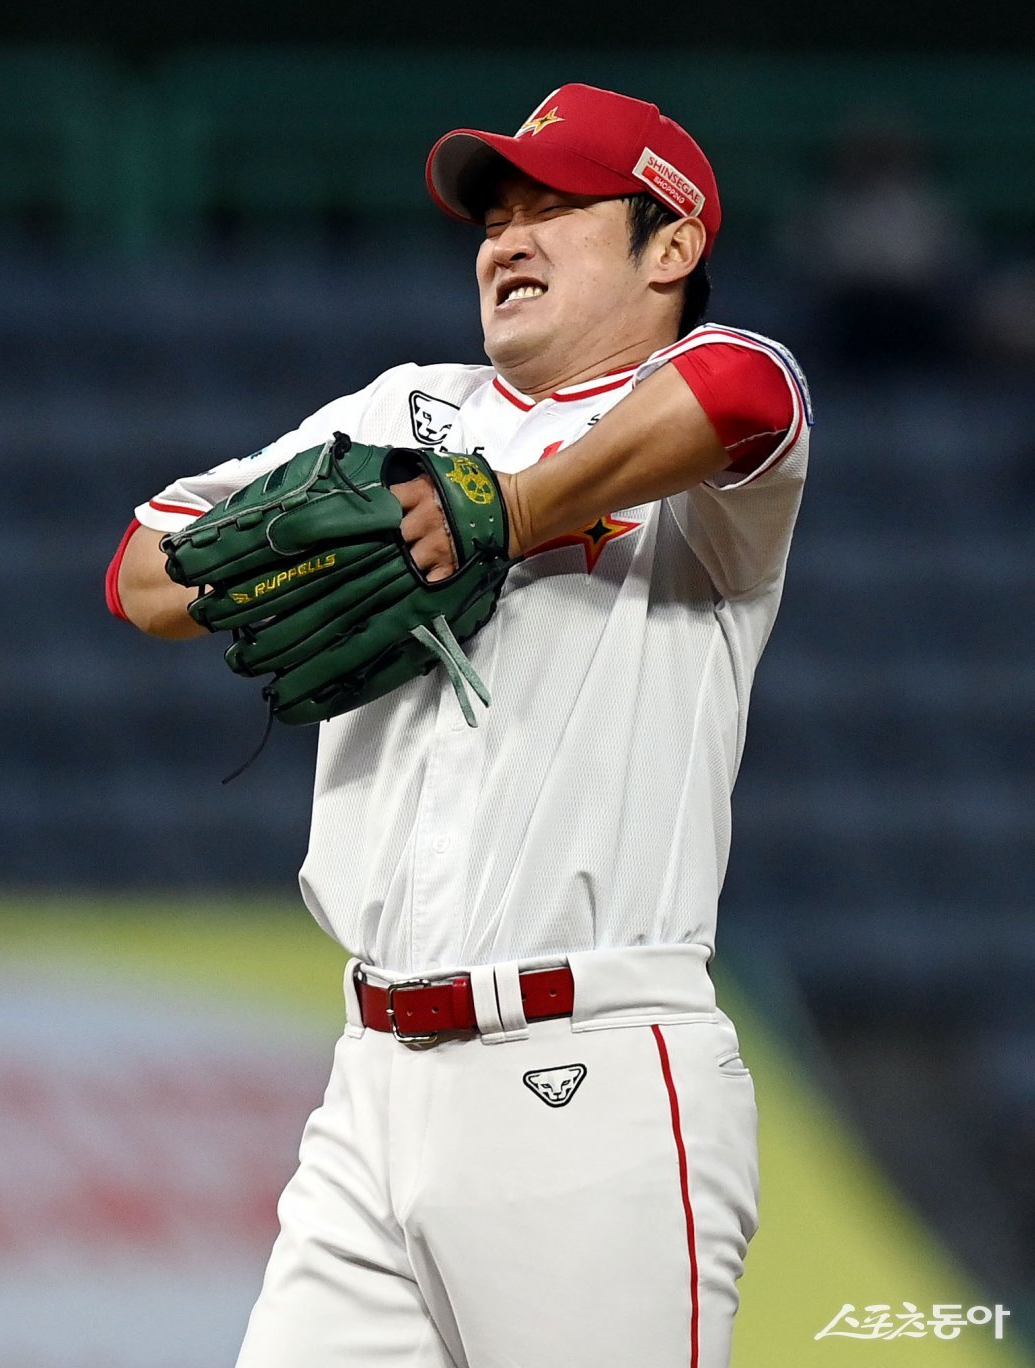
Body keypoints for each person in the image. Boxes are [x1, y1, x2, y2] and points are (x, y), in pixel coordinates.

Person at [106, 82, 811, 1368]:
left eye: (554, 208)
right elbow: (140, 574)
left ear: (672, 245)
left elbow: (752, 389)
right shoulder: (399, 413)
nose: (507, 241)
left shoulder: (698, 468)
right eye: (494, 219)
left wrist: (512, 509)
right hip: (370, 1085)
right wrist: (304, 544)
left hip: (591, 1073)